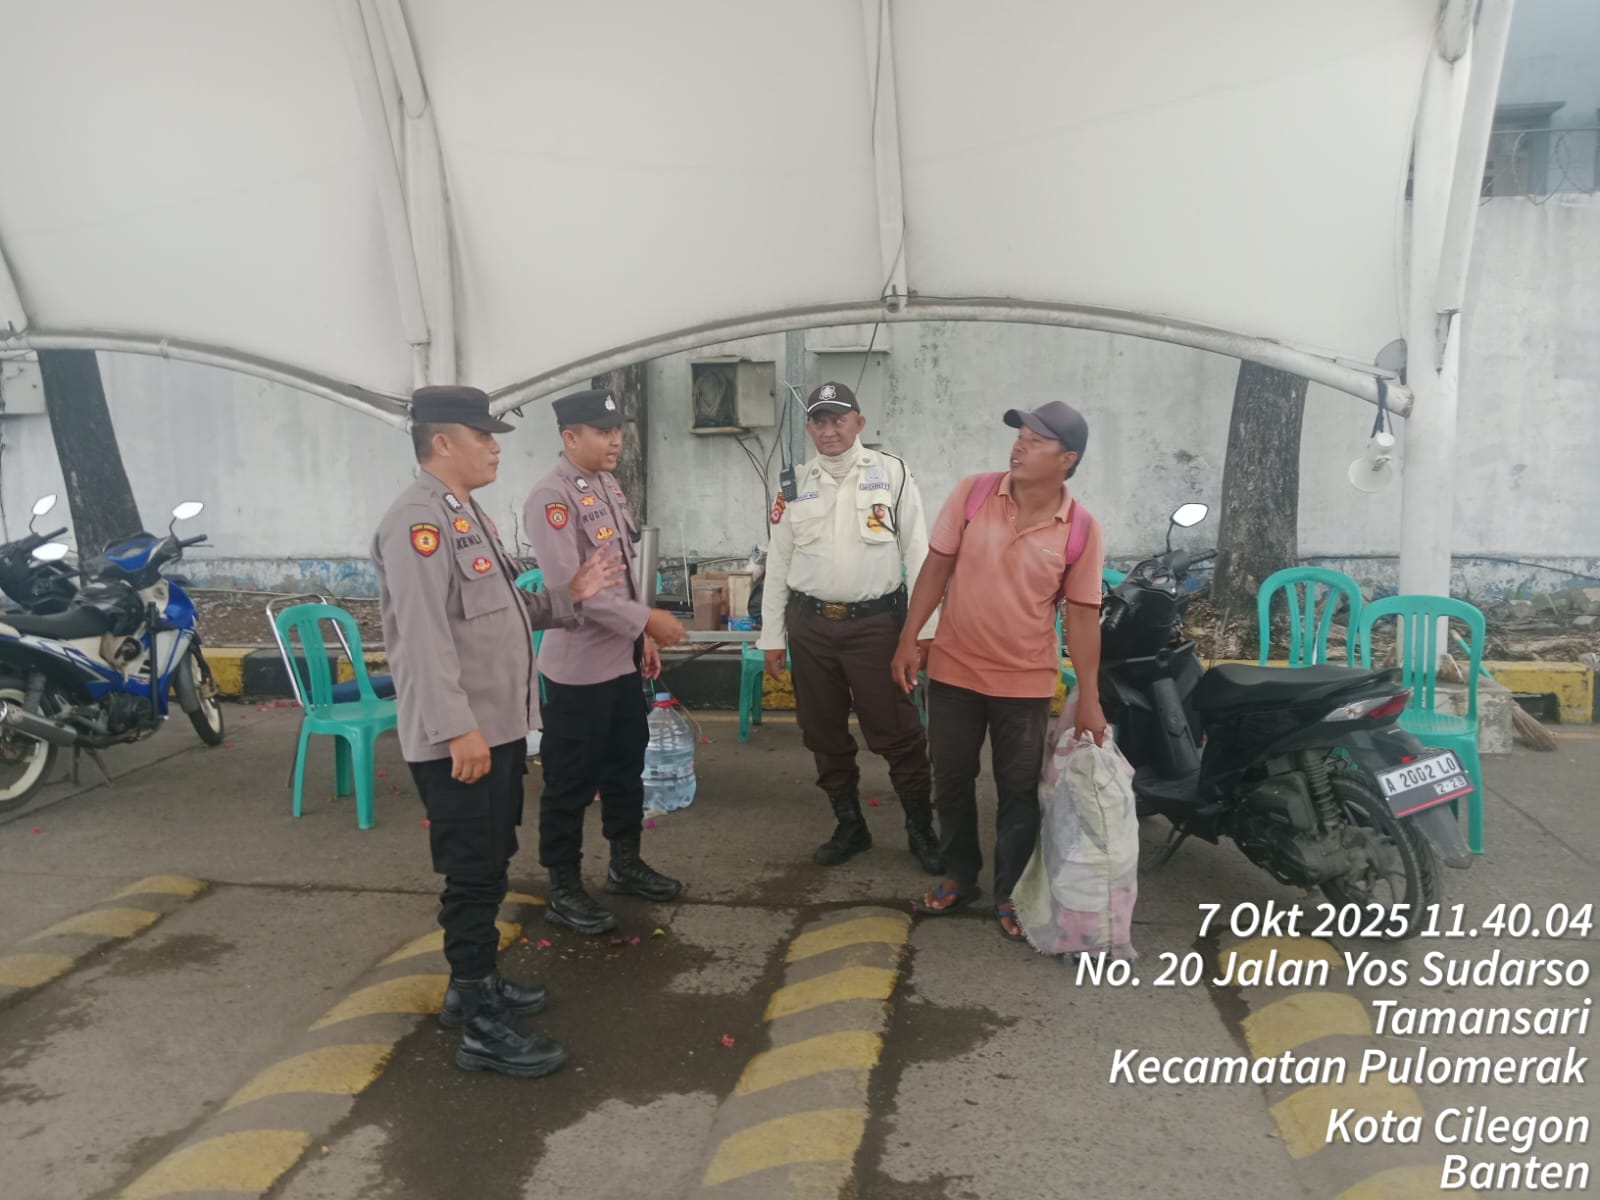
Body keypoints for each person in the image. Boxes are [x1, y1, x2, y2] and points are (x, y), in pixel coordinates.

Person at [374, 384, 627, 1077]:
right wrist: (457, 729)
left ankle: (473, 987)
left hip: (497, 726)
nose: (495, 447)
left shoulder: (464, 513)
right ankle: (480, 1026)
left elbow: (501, 610)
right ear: (442, 441)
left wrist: (567, 598)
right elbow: (423, 636)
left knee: (490, 860)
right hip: (464, 735)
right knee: (472, 871)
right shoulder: (418, 522)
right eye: (482, 436)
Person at [891, 401, 1108, 942]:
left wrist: (1091, 697)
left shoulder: (1081, 529)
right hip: (954, 670)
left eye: (1035, 440)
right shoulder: (974, 493)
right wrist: (909, 637)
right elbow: (936, 567)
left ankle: (1010, 892)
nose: (1019, 446)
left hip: (1025, 681)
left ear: (1067, 459)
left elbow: (1082, 617)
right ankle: (959, 875)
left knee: (1017, 790)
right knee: (952, 779)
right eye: (1020, 435)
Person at [758, 381, 941, 873]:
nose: (829, 430)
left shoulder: (892, 472)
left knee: (897, 732)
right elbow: (779, 561)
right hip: (810, 626)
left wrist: (923, 631)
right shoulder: (793, 483)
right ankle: (850, 825)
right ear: (809, 428)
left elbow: (918, 552)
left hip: (875, 625)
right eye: (819, 421)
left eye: (839, 419)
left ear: (859, 423)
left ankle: (921, 829)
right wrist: (772, 636)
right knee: (823, 732)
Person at [524, 388, 688, 936]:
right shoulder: (551, 498)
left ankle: (625, 864)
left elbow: (623, 573)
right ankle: (564, 886)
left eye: (617, 430)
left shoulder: (607, 485)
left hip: (620, 661)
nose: (615, 440)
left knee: (624, 768)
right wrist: (646, 621)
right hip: (577, 671)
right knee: (569, 782)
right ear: (570, 437)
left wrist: (641, 639)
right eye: (602, 432)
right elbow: (573, 593)